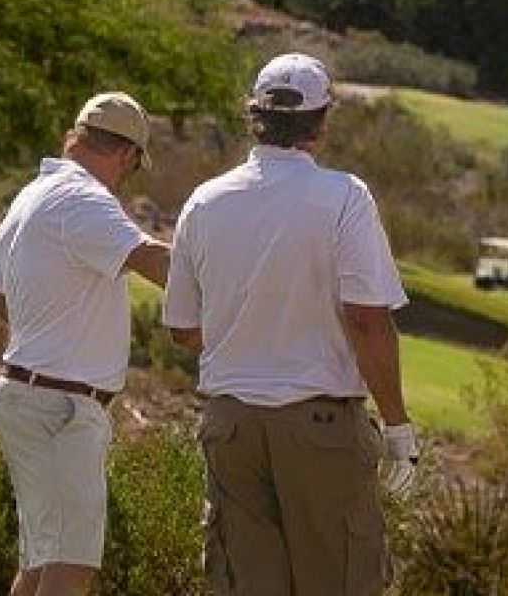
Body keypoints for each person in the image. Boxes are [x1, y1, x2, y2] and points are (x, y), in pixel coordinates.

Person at [164, 53, 418, 596]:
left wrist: (248, 336)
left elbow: (183, 328)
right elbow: (368, 323)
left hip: (231, 426)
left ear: (255, 116)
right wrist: (397, 426)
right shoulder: (345, 197)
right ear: (321, 123)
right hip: (319, 427)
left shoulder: (203, 202)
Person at [0, 93, 168, 596]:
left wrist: (42, 329)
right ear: (127, 155)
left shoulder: (33, 195)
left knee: (40, 561)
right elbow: (155, 262)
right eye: (134, 166)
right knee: (72, 564)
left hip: (25, 396)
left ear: (76, 136)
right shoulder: (84, 199)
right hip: (60, 407)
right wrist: (241, 284)